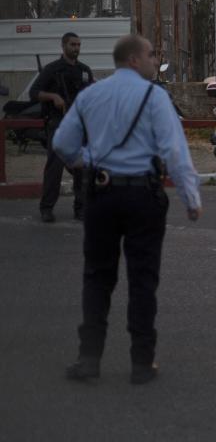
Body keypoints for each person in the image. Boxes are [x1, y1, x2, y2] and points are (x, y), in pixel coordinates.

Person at [52, 34, 202, 384]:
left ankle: (89, 359)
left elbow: (62, 143)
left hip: (101, 195)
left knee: (97, 278)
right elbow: (174, 152)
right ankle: (141, 363)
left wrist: (87, 160)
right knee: (142, 280)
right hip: (143, 197)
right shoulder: (155, 97)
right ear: (134, 59)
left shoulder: (91, 94)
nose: (155, 60)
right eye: (151, 55)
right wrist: (191, 199)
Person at [31, 32, 95, 223]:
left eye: (78, 45)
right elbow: (34, 93)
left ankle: (81, 209)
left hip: (79, 125)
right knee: (55, 167)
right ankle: (47, 208)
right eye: (72, 44)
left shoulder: (84, 70)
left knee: (81, 169)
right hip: (58, 123)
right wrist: (53, 97)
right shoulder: (52, 70)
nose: (76, 48)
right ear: (63, 46)